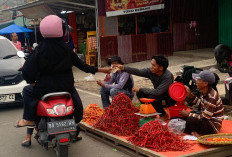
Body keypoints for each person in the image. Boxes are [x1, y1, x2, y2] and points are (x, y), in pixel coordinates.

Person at [14, 15, 111, 147]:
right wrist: (101, 70)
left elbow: (27, 71)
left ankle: (29, 120)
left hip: (44, 88)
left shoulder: (39, 49)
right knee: (77, 106)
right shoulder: (67, 49)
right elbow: (83, 67)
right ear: (61, 31)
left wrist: (32, 82)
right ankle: (74, 127)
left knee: (27, 91)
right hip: (66, 87)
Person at [116, 56, 175, 120]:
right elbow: (138, 71)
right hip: (159, 95)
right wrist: (124, 68)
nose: (151, 67)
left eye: (153, 65)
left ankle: (163, 115)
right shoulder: (151, 71)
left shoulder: (168, 76)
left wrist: (140, 89)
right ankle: (150, 112)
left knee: (151, 95)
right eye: (151, 64)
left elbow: (158, 92)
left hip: (168, 99)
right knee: (140, 93)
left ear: (160, 68)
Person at [180, 70, 224, 137]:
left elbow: (205, 117)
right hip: (206, 120)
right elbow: (200, 104)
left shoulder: (212, 97)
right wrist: (190, 94)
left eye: (198, 80)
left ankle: (199, 134)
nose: (196, 82)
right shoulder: (203, 92)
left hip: (212, 125)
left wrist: (188, 114)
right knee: (182, 119)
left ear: (205, 83)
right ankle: (193, 131)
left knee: (191, 119)